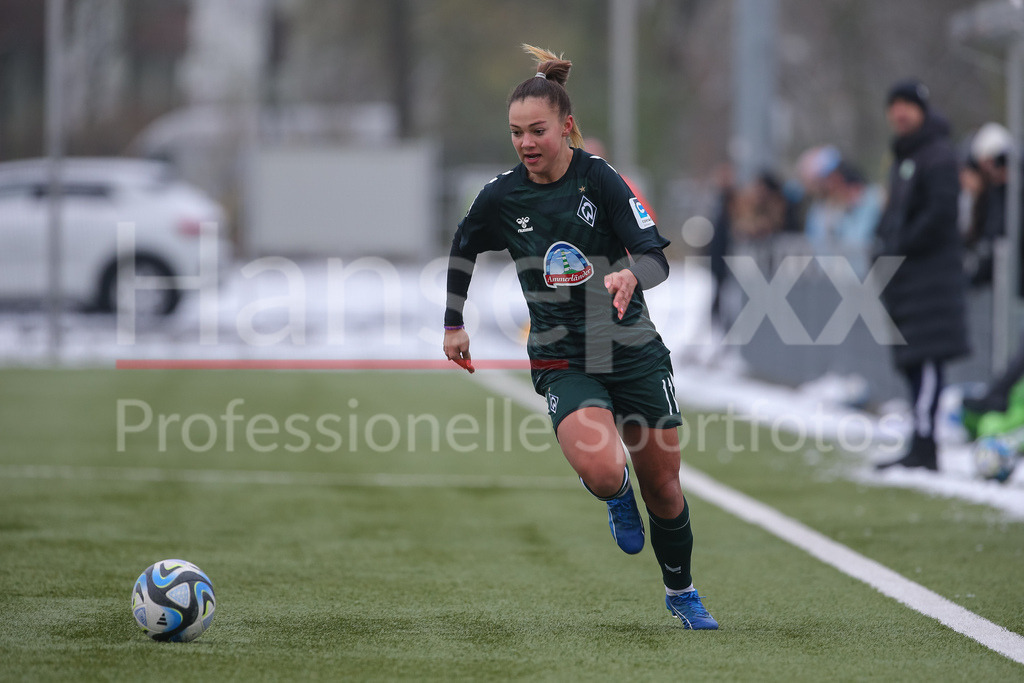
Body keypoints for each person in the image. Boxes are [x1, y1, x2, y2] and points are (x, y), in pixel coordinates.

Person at [442, 44, 717, 629]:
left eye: (537, 130)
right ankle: (615, 494)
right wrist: (453, 322)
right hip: (564, 358)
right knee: (600, 467)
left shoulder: (602, 180)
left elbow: (656, 259)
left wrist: (627, 273)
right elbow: (463, 246)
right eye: (516, 133)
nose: (525, 143)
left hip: (632, 350)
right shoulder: (502, 194)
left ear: (566, 126)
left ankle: (681, 590)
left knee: (665, 489)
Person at [874, 79, 971, 471]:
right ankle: (919, 442)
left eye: (907, 105)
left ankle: (926, 446)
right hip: (910, 283)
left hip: (930, 280)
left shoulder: (938, 155)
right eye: (894, 105)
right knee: (915, 366)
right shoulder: (907, 157)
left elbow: (941, 214)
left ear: (922, 110)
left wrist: (901, 247)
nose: (900, 112)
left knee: (928, 364)